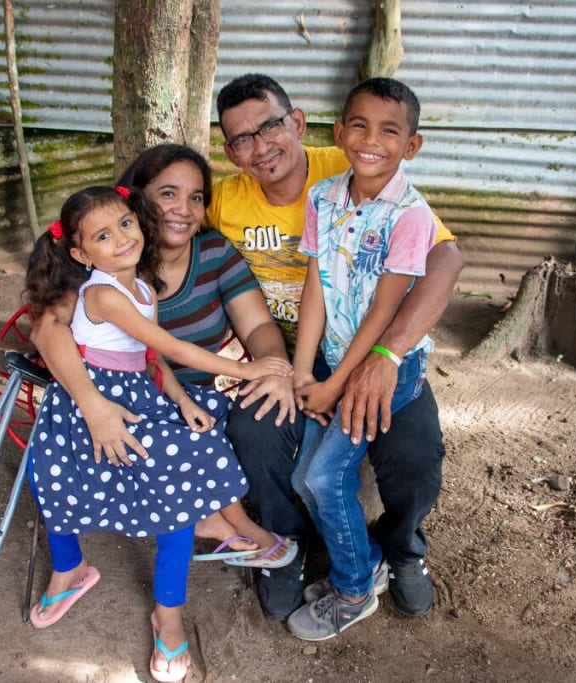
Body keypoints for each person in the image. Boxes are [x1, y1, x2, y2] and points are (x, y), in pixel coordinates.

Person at [206, 73, 464, 621]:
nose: (261, 146)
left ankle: (400, 548)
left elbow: (446, 259)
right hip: (289, 353)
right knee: (254, 430)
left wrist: (386, 356)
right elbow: (168, 237)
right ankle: (286, 549)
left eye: (271, 126)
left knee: (414, 453)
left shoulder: (351, 165)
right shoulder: (227, 200)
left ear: (297, 122)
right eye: (241, 139)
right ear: (229, 153)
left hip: (370, 348)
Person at [23, 185, 294, 682]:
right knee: (55, 483)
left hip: (137, 393)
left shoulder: (140, 288)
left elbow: (151, 357)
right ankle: (73, 568)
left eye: (126, 223)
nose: (123, 238)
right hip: (91, 406)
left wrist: (184, 399)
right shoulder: (103, 293)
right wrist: (250, 371)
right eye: (103, 236)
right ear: (81, 254)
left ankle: (172, 602)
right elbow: (169, 344)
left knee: (198, 438)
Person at [286, 77, 440, 640]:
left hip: (381, 370)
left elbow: (383, 311)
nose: (370, 140)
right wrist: (305, 370)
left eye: (389, 131)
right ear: (339, 131)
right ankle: (369, 562)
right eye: (359, 125)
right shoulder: (323, 197)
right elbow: (315, 290)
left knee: (326, 479)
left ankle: (353, 591)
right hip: (329, 359)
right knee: (305, 479)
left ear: (412, 145)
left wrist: (332, 388)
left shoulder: (411, 215)